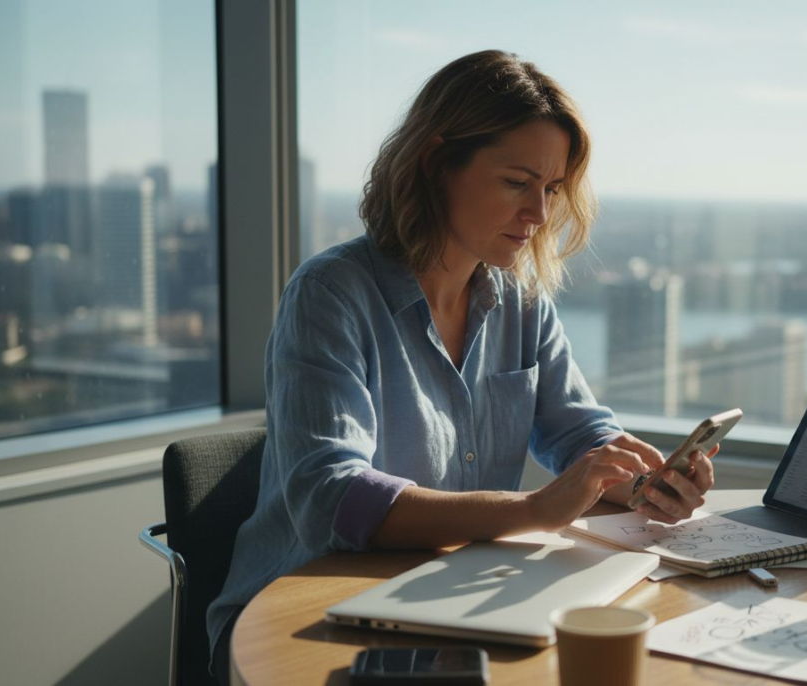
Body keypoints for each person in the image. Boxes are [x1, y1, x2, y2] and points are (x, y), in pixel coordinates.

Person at [206, 50, 717, 683]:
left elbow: (579, 435)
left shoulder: (521, 301)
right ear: (436, 162)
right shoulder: (330, 293)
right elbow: (328, 497)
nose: (538, 214)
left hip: (451, 604)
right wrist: (532, 509)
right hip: (306, 617)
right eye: (516, 182)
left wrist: (640, 482)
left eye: (551, 189)